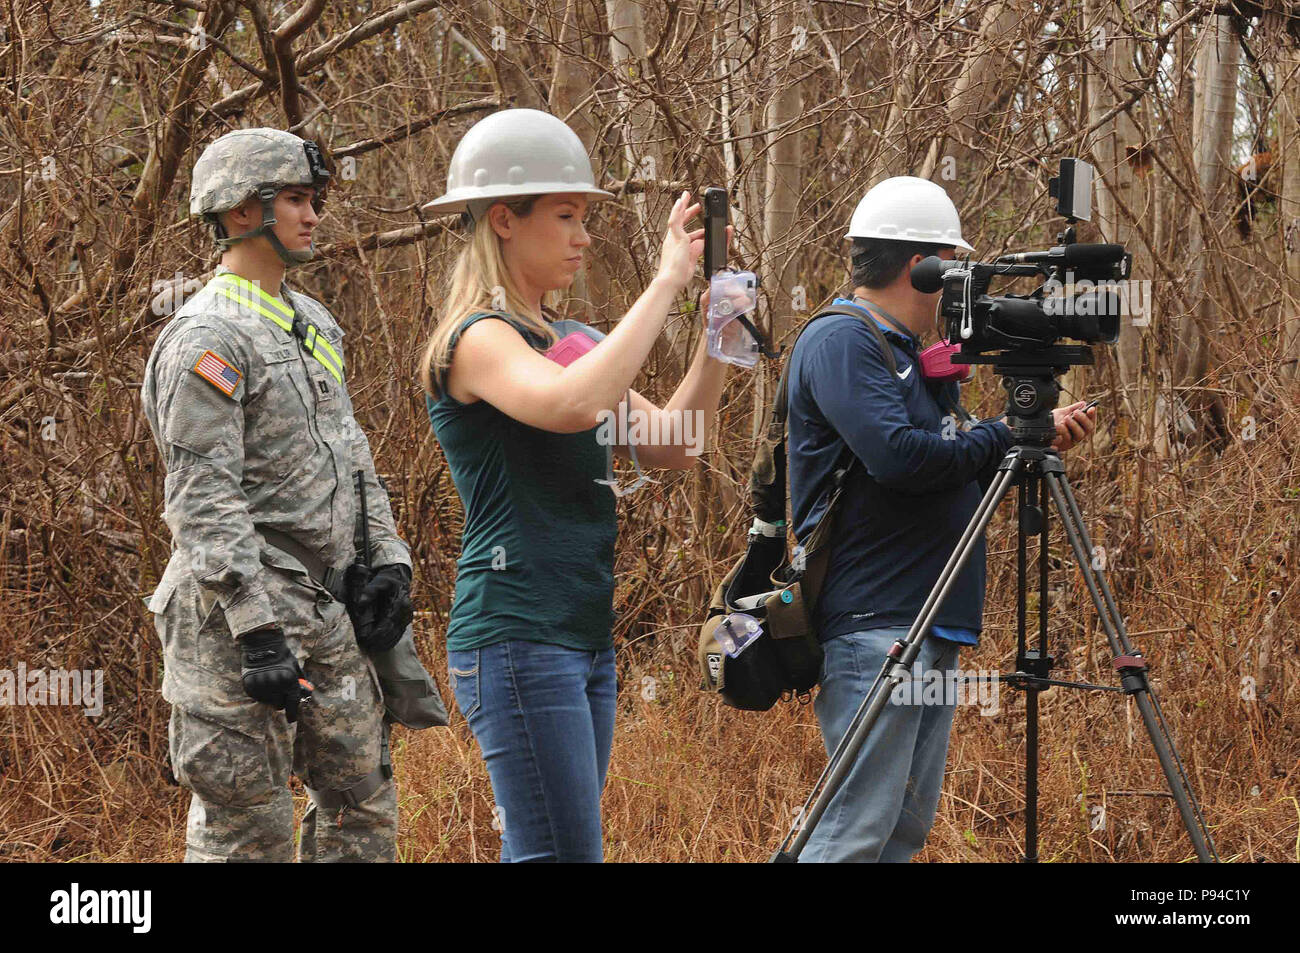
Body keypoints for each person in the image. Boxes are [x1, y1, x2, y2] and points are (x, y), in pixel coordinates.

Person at [420, 108, 730, 862]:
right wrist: (665, 282)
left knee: (554, 851)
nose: (584, 237)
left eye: (585, 217)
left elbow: (671, 446)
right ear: (503, 219)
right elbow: (570, 403)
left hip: (583, 633)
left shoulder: (573, 339)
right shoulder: (476, 340)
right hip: (516, 633)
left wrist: (723, 336)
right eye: (566, 216)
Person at [786, 176, 1097, 862]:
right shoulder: (842, 341)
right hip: (878, 619)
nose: (965, 286)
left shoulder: (914, 356)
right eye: (955, 267)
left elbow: (947, 463)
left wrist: (1026, 437)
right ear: (919, 266)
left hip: (934, 618)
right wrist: (1003, 433)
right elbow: (901, 459)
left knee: (901, 830)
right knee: (854, 829)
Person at [141, 128, 415, 861]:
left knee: (363, 809)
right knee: (246, 831)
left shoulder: (313, 322)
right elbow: (202, 493)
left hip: (326, 610)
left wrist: (387, 560)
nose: (314, 214)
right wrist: (255, 626)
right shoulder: (208, 335)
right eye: (294, 199)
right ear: (239, 213)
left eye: (314, 198)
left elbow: (352, 454)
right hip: (234, 621)